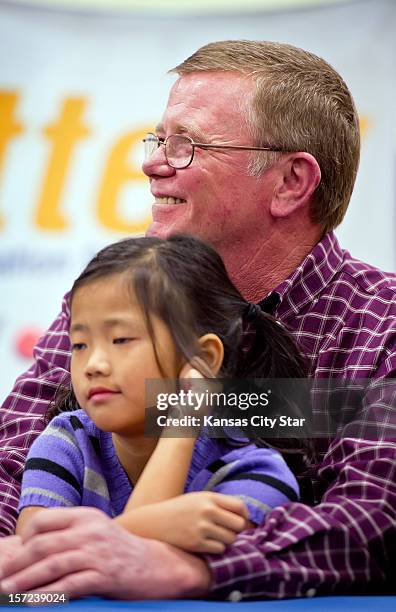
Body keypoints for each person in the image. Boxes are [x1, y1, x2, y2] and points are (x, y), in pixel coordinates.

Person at [1, 40, 396, 600]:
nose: (151, 161)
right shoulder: (110, 298)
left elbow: (375, 519)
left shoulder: (383, 325)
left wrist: (195, 568)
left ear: (290, 182)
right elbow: (11, 458)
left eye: (187, 145)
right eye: (160, 139)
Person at [15, 234, 306, 549]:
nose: (93, 364)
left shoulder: (256, 474)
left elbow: (133, 567)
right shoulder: (66, 442)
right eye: (80, 345)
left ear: (203, 359)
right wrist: (154, 526)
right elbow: (34, 568)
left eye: (121, 339)